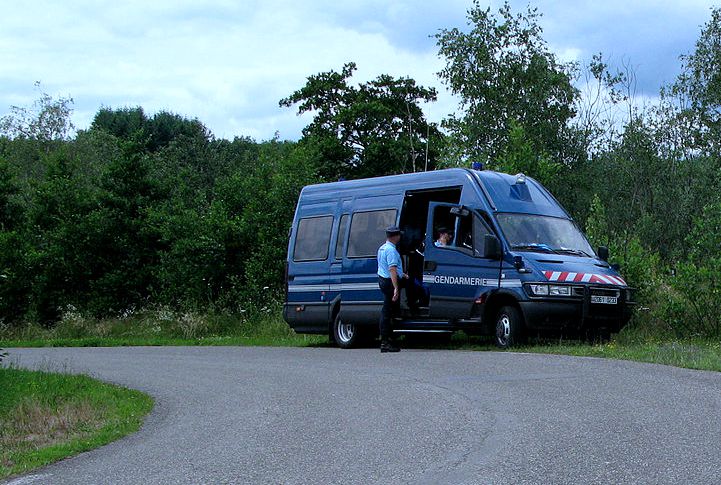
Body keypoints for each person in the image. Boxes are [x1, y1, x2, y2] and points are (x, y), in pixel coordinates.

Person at [377, 225, 408, 353]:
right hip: (390, 282)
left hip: (383, 280)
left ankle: (389, 339)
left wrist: (403, 274)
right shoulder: (391, 250)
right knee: (387, 312)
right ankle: (385, 342)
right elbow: (392, 269)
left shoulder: (382, 248)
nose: (400, 237)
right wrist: (396, 288)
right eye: (399, 235)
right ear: (395, 236)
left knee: (388, 310)